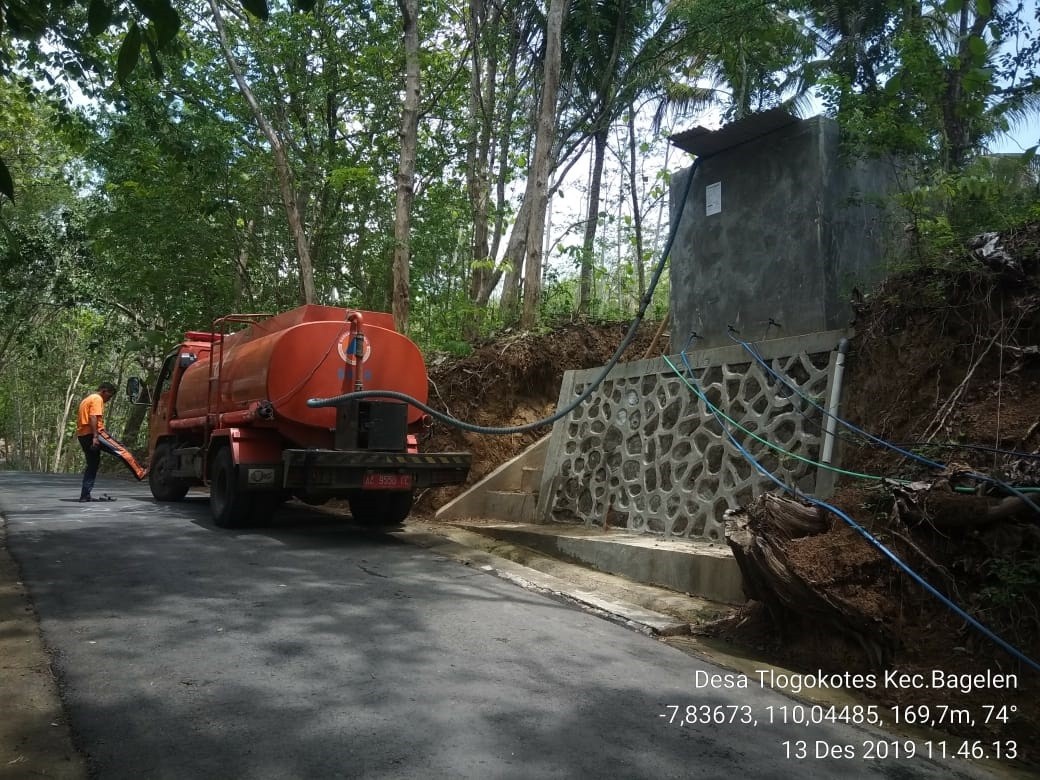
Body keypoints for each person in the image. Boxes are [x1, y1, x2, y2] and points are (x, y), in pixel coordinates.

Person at [76, 382, 148, 502]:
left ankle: (85, 495)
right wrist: (95, 436)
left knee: (92, 465)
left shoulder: (87, 399)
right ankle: (140, 472)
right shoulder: (97, 398)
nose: (109, 399)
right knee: (121, 451)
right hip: (95, 433)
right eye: (109, 395)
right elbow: (93, 417)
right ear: (103, 391)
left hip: (82, 435)